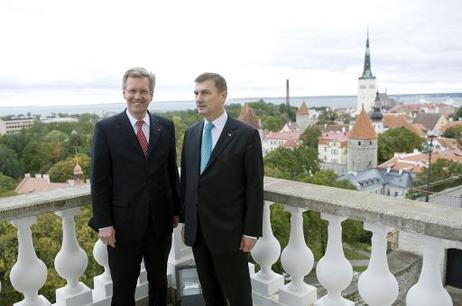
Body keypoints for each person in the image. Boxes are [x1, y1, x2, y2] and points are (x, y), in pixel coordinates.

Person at [89, 67, 180, 306]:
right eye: (132, 90)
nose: (137, 96)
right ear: (124, 92)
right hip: (122, 225)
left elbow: (171, 172)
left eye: (143, 91)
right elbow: (99, 181)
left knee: (159, 283)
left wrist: (176, 211)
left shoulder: (165, 126)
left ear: (151, 95)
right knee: (123, 287)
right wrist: (104, 223)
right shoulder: (106, 129)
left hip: (160, 223)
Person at [180, 72, 264, 306]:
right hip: (198, 232)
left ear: (223, 96)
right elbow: (187, 181)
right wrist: (187, 221)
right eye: (196, 93)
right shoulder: (192, 132)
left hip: (231, 233)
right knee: (210, 294)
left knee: (238, 296)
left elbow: (255, 186)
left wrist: (251, 231)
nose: (199, 98)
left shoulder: (245, 135)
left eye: (205, 92)